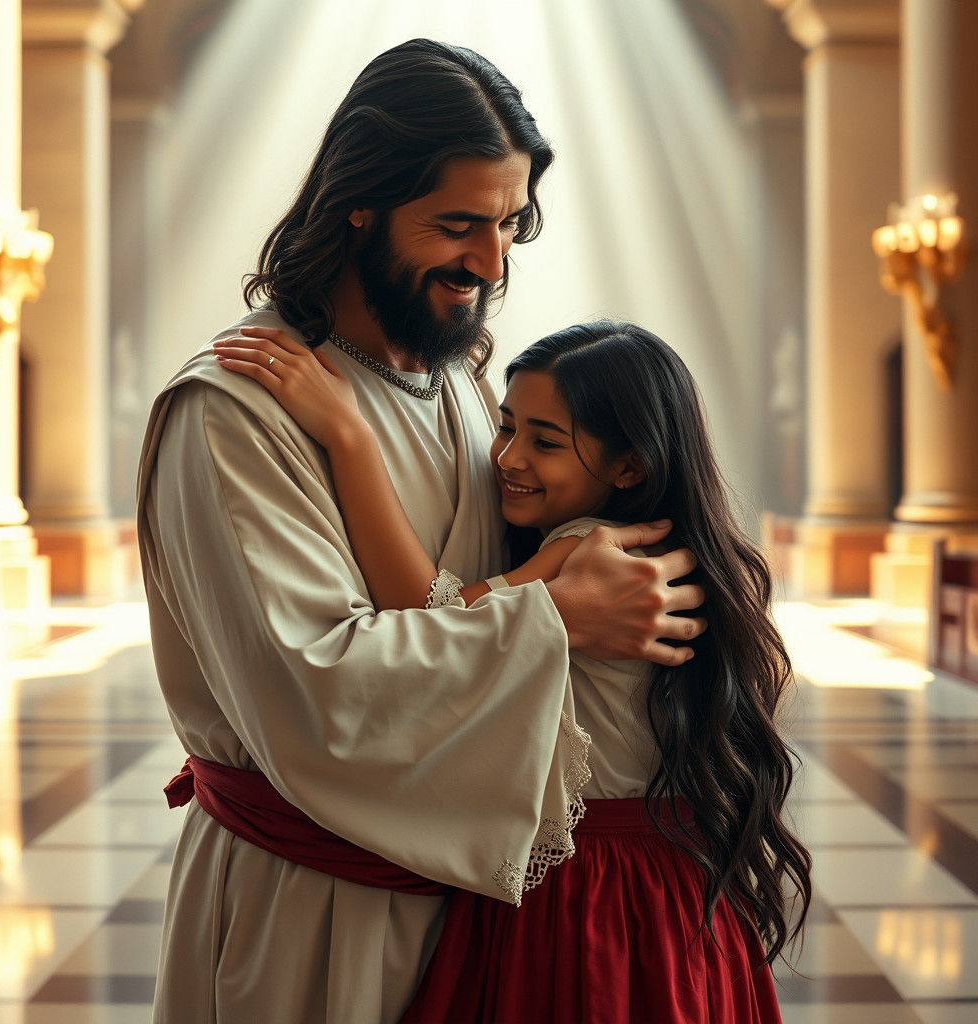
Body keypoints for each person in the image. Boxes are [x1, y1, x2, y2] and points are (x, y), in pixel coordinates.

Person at [137, 39, 707, 1024]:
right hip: (315, 918)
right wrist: (555, 618)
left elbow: (454, 595)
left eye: (508, 225)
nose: (490, 265)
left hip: (490, 920)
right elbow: (317, 693)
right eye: (456, 226)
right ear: (360, 201)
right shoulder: (236, 411)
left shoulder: (458, 380)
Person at [216, 319, 813, 1023]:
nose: (507, 457)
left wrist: (349, 439)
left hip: (586, 892)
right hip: (680, 886)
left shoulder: (585, 550)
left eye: (546, 442)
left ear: (630, 467)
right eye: (505, 428)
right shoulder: (676, 549)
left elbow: (431, 614)